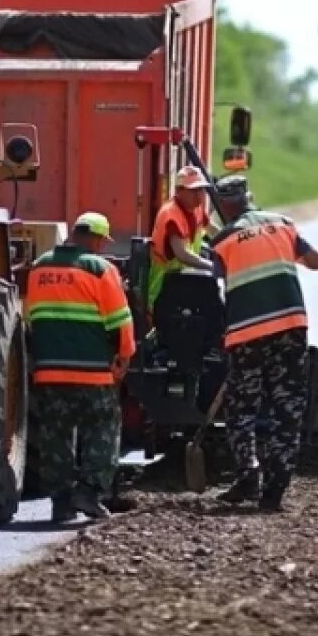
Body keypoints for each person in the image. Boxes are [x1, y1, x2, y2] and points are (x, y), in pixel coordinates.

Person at [208, 174, 318, 511]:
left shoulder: (223, 240)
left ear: (223, 207)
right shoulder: (284, 225)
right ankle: (274, 491)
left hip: (246, 334)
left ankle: (248, 474)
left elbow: (213, 274)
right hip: (290, 329)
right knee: (286, 409)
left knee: (241, 409)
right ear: (249, 196)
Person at [26, 211, 137, 522]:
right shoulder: (101, 269)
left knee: (55, 435)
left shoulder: (39, 268)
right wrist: (125, 355)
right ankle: (88, 493)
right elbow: (120, 320)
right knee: (102, 428)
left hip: (49, 370)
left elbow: (33, 318)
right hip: (93, 371)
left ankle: (60, 502)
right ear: (99, 239)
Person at [147, 165, 215, 314]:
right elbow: (181, 254)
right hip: (164, 286)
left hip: (184, 281)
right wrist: (213, 267)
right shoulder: (170, 214)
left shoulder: (196, 208)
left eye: (201, 190)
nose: (199, 195)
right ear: (179, 191)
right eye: (193, 190)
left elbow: (212, 230)